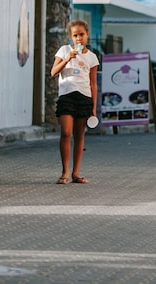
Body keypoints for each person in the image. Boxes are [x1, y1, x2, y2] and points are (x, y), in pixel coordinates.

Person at [50, 19, 100, 185]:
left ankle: (76, 173)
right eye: (75, 35)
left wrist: (93, 107)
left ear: (87, 35)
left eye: (82, 35)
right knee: (66, 132)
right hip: (67, 95)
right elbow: (53, 72)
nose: (79, 38)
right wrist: (67, 59)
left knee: (79, 135)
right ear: (71, 37)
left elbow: (93, 84)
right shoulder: (64, 50)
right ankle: (64, 171)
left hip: (84, 97)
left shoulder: (92, 58)